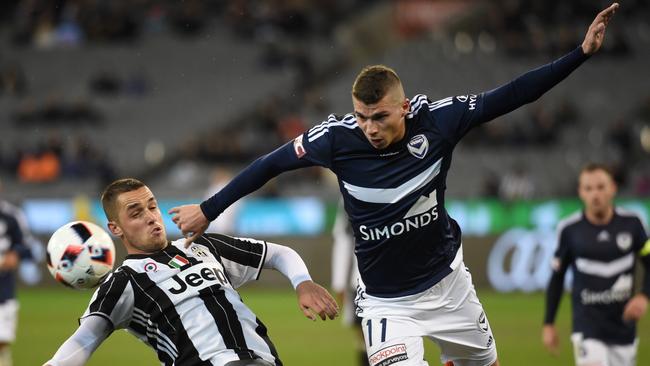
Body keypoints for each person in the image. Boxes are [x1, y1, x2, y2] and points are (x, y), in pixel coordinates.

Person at [170, 4, 620, 365]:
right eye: (361, 116)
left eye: (380, 116)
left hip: (450, 287)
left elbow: (512, 93)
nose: (369, 127)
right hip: (386, 302)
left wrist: (578, 54)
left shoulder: (440, 120)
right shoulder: (335, 138)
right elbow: (268, 165)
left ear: (403, 107)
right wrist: (209, 209)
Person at [45, 178, 338, 366]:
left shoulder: (201, 245)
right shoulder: (124, 281)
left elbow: (277, 254)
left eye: (152, 206)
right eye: (136, 213)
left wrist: (303, 282)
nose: (150, 218)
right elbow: (84, 340)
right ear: (115, 229)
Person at [542, 163, 649, 366]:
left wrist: (644, 296)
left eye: (601, 187)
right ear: (580, 192)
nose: (595, 194)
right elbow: (557, 278)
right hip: (587, 327)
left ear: (613, 188)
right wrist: (548, 323)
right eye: (588, 188)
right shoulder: (569, 230)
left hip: (623, 328)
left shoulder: (633, 224)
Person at [331, 201, 368, 366]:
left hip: (367, 280)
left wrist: (338, 283)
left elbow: (342, 239)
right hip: (364, 281)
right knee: (366, 336)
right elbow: (343, 238)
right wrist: (339, 282)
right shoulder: (350, 192)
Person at [0, 194, 28, 366]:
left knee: (2, 341)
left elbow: (26, 244)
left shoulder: (11, 216)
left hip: (3, 290)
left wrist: (15, 254)